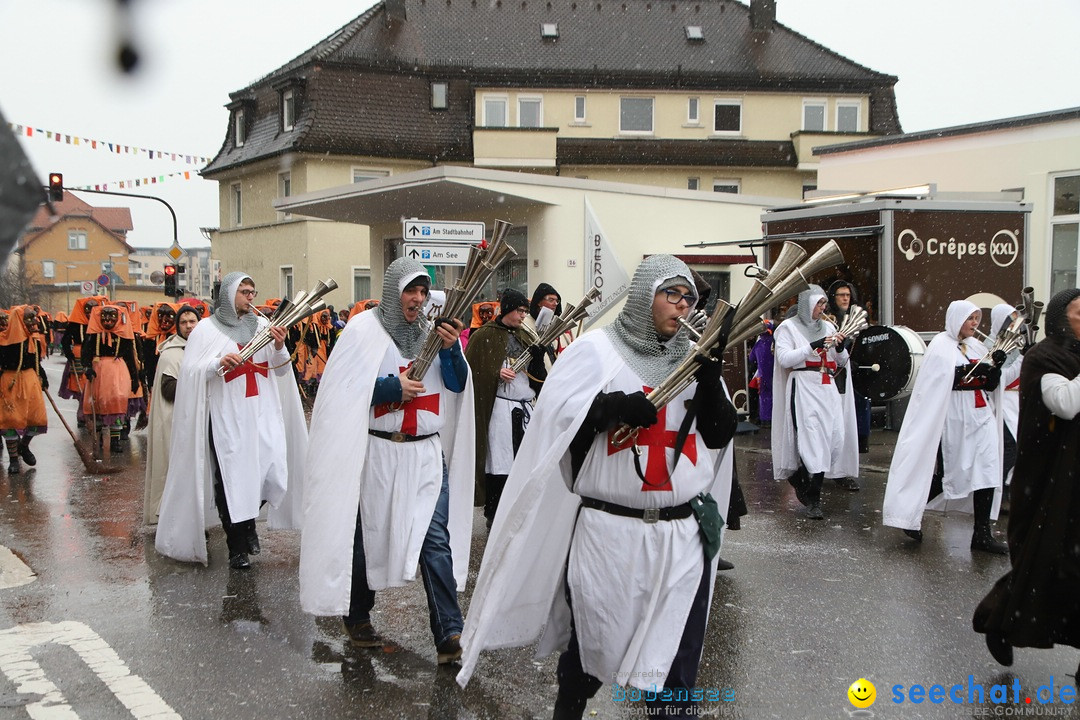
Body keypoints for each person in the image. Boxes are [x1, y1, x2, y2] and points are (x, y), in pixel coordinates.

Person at [456, 254, 738, 719]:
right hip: (610, 534)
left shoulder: (694, 357)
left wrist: (709, 380)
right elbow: (556, 423)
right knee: (591, 650)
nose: (682, 306)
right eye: (672, 294)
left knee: (674, 665)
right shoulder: (597, 352)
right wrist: (608, 408)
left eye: (688, 297)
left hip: (682, 538)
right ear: (646, 297)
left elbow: (720, 434)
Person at [299, 258, 474, 665]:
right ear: (394, 291)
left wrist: (451, 351)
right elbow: (340, 389)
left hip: (426, 452)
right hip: (379, 451)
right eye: (410, 290)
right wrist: (392, 387)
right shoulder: (363, 330)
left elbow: (457, 384)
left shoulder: (437, 331)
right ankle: (357, 615)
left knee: (435, 541)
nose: (417, 298)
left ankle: (448, 631)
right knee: (369, 537)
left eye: (422, 291)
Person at [155, 272, 308, 570]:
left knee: (272, 471)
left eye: (253, 291)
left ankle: (248, 521)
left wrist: (278, 346)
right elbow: (190, 373)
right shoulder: (205, 331)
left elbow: (279, 371)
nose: (251, 297)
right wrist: (216, 363)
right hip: (227, 416)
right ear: (228, 294)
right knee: (232, 481)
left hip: (262, 413)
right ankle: (236, 544)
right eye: (244, 292)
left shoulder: (263, 326)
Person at [972, 289, 1080, 673]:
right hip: (1055, 482)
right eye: (1079, 314)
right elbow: (1065, 404)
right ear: (1059, 320)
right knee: (1047, 561)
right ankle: (998, 619)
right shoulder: (1045, 357)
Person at [882, 300, 1008, 554]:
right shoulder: (940, 345)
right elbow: (936, 381)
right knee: (945, 474)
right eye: (970, 318)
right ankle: (909, 513)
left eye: (977, 318)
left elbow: (990, 385)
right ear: (956, 319)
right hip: (951, 419)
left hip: (980, 416)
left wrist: (995, 370)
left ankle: (981, 533)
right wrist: (967, 370)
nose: (975, 323)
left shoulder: (977, 346)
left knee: (987, 470)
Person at [772, 285, 857, 520]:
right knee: (812, 439)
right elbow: (785, 358)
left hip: (827, 386)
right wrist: (812, 345)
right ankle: (814, 500)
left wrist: (840, 349)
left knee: (835, 438)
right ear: (807, 304)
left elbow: (839, 361)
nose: (822, 308)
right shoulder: (787, 328)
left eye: (823, 304)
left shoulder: (829, 326)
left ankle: (804, 481)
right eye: (818, 304)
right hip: (805, 384)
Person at [465, 289, 547, 529]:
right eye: (519, 310)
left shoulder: (527, 336)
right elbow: (472, 371)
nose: (522, 316)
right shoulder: (484, 336)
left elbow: (538, 378)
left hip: (524, 409)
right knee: (498, 462)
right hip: (499, 409)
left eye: (524, 311)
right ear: (507, 309)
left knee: (523, 462)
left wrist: (539, 360)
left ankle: (518, 510)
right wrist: (495, 373)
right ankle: (494, 511)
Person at [143, 305, 200, 525]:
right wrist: (198, 382)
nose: (188, 326)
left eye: (192, 321)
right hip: (177, 421)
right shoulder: (171, 353)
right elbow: (169, 391)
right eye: (184, 322)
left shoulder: (205, 348)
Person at [80, 304, 140, 454]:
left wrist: (134, 378)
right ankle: (99, 437)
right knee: (98, 403)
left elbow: (129, 358)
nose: (107, 320)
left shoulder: (123, 335)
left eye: (111, 317)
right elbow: (85, 352)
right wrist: (87, 367)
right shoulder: (93, 334)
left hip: (117, 372)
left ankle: (115, 439)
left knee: (116, 402)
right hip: (98, 370)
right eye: (104, 317)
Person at [826, 279, 869, 489]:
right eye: (840, 295)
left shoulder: (854, 318)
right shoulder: (827, 320)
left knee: (844, 426)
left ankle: (840, 471)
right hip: (824, 376)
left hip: (845, 377)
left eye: (847, 295)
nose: (845, 298)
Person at [0, 306, 48, 475]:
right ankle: (13, 459)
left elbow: (37, 361)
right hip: (10, 382)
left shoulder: (32, 339)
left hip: (30, 381)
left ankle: (24, 446)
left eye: (33, 319)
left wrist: (43, 378)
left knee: (36, 418)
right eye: (28, 319)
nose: (33, 322)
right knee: (11, 421)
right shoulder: (3, 341)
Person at [985, 303, 1025, 490]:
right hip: (997, 403)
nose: (1012, 325)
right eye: (1009, 321)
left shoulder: (1016, 344)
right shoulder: (988, 345)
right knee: (1009, 446)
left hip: (1013, 403)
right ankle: (998, 488)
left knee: (1017, 446)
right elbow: (1001, 378)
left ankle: (1007, 487)